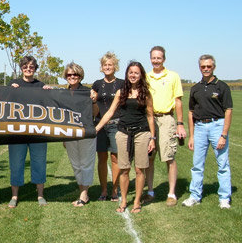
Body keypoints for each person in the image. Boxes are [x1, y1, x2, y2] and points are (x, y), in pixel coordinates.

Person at [96, 61, 155, 213]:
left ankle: (136, 202)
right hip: (122, 133)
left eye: (136, 72)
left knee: (140, 169)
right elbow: (109, 112)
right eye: (131, 72)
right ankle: (123, 202)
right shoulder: (121, 92)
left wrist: (152, 138)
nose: (133, 75)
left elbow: (150, 116)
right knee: (124, 169)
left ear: (141, 75)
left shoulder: (146, 93)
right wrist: (97, 128)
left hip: (142, 133)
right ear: (127, 74)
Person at [182, 55, 232, 209]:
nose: (206, 69)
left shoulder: (222, 87)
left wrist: (223, 134)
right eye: (203, 66)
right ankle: (195, 195)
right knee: (197, 165)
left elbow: (228, 111)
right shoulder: (195, 88)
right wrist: (192, 136)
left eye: (208, 66)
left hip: (217, 125)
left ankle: (224, 197)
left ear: (213, 67)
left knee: (222, 164)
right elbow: (191, 112)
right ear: (199, 67)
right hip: (200, 128)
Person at [144, 46, 187, 206]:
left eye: (159, 58)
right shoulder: (145, 77)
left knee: (169, 157)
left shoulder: (173, 76)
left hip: (166, 119)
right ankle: (149, 191)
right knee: (149, 158)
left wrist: (180, 124)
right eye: (153, 58)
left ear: (164, 59)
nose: (156, 61)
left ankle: (171, 193)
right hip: (149, 120)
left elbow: (178, 101)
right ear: (150, 59)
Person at [7, 56, 50, 208]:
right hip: (17, 132)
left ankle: (40, 195)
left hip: (37, 132)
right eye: (25, 66)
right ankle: (14, 196)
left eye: (31, 66)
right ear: (21, 68)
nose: (28, 68)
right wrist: (10, 92)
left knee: (39, 162)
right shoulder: (14, 84)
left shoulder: (41, 85)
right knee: (16, 163)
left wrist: (48, 93)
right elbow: (4, 104)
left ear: (35, 68)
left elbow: (49, 106)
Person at [91, 52, 124, 202]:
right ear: (101, 67)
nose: (107, 67)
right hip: (100, 125)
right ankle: (104, 190)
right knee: (102, 158)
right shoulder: (97, 84)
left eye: (110, 64)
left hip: (117, 124)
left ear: (115, 66)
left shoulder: (122, 83)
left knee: (115, 158)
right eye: (105, 65)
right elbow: (92, 103)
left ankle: (115, 190)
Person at [63, 62, 96, 206]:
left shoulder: (87, 92)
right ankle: (82, 189)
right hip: (69, 133)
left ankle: (84, 195)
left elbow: (95, 113)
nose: (72, 77)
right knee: (76, 164)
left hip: (85, 131)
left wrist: (94, 101)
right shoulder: (62, 94)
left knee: (86, 163)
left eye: (75, 74)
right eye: (69, 74)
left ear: (80, 76)